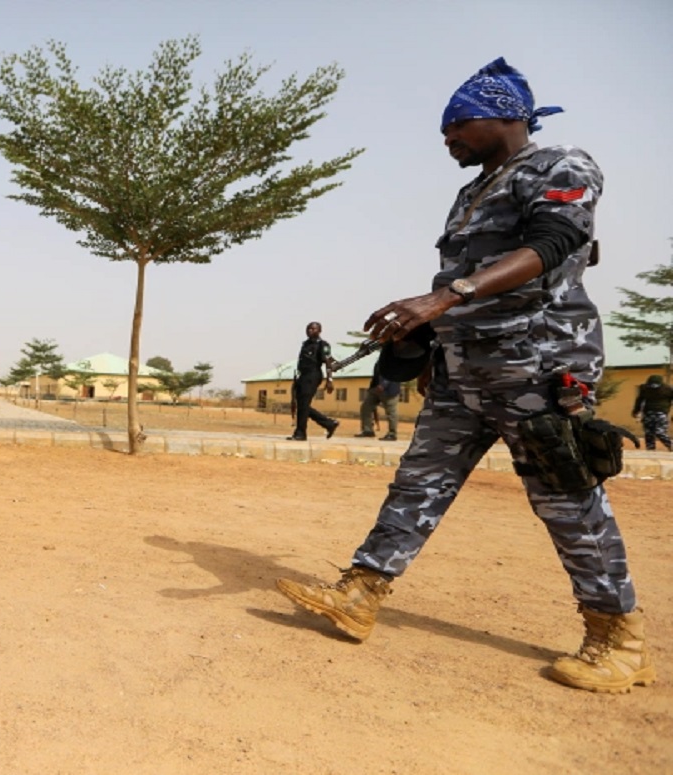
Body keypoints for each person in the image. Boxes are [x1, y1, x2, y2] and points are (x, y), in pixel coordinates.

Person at [275, 58, 654, 693]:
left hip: (537, 366)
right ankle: (361, 592)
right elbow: (463, 274)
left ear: (503, 116)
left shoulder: (562, 165)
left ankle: (618, 636)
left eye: (456, 125)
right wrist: (430, 340)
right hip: (463, 368)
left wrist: (444, 298)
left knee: (565, 498)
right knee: (418, 482)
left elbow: (552, 245)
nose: (447, 138)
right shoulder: (472, 189)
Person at [287, 322, 339, 441]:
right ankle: (329, 424)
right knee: (302, 405)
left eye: (313, 329)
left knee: (303, 405)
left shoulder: (323, 345)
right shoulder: (305, 344)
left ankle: (300, 433)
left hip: (313, 375)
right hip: (302, 376)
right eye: (308, 328)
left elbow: (328, 362)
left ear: (319, 331)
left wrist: (329, 379)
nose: (310, 330)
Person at [354, 362, 401, 441]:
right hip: (375, 389)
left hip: (389, 390)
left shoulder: (395, 359)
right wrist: (371, 388)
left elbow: (393, 374)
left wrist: (383, 385)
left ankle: (392, 434)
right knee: (366, 407)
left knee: (391, 412)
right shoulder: (380, 360)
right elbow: (376, 376)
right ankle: (368, 430)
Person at [632, 374, 673, 451]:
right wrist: (636, 411)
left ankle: (670, 444)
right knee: (649, 433)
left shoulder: (668, 389)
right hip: (648, 413)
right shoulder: (645, 388)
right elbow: (639, 400)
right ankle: (650, 449)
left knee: (659, 432)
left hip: (661, 413)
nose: (653, 387)